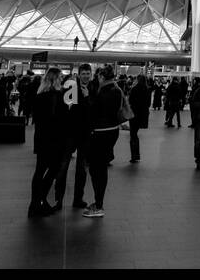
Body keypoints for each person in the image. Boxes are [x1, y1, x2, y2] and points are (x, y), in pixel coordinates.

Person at [82, 66, 124, 218]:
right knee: (99, 167)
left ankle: (98, 205)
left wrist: (87, 97)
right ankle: (98, 202)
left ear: (101, 77)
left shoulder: (106, 91)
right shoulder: (116, 89)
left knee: (97, 169)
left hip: (101, 133)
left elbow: (96, 111)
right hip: (112, 130)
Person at [28, 68, 68, 217]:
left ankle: (34, 203)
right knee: (53, 169)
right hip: (55, 139)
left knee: (39, 170)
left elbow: (37, 118)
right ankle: (41, 199)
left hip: (41, 138)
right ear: (57, 79)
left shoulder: (39, 95)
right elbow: (62, 119)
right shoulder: (59, 96)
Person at [60, 64, 94, 211]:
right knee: (63, 165)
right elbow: (67, 109)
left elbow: (94, 110)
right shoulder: (72, 87)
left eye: (88, 73)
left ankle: (78, 198)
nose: (86, 76)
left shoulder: (93, 88)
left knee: (81, 168)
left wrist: (87, 98)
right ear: (79, 74)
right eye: (84, 73)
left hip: (85, 133)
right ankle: (58, 198)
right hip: (71, 132)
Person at [127, 75, 151, 163]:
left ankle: (134, 155)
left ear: (137, 80)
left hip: (134, 114)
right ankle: (136, 155)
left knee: (133, 134)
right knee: (135, 133)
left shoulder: (134, 89)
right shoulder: (147, 89)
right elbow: (148, 103)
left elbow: (130, 101)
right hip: (143, 115)